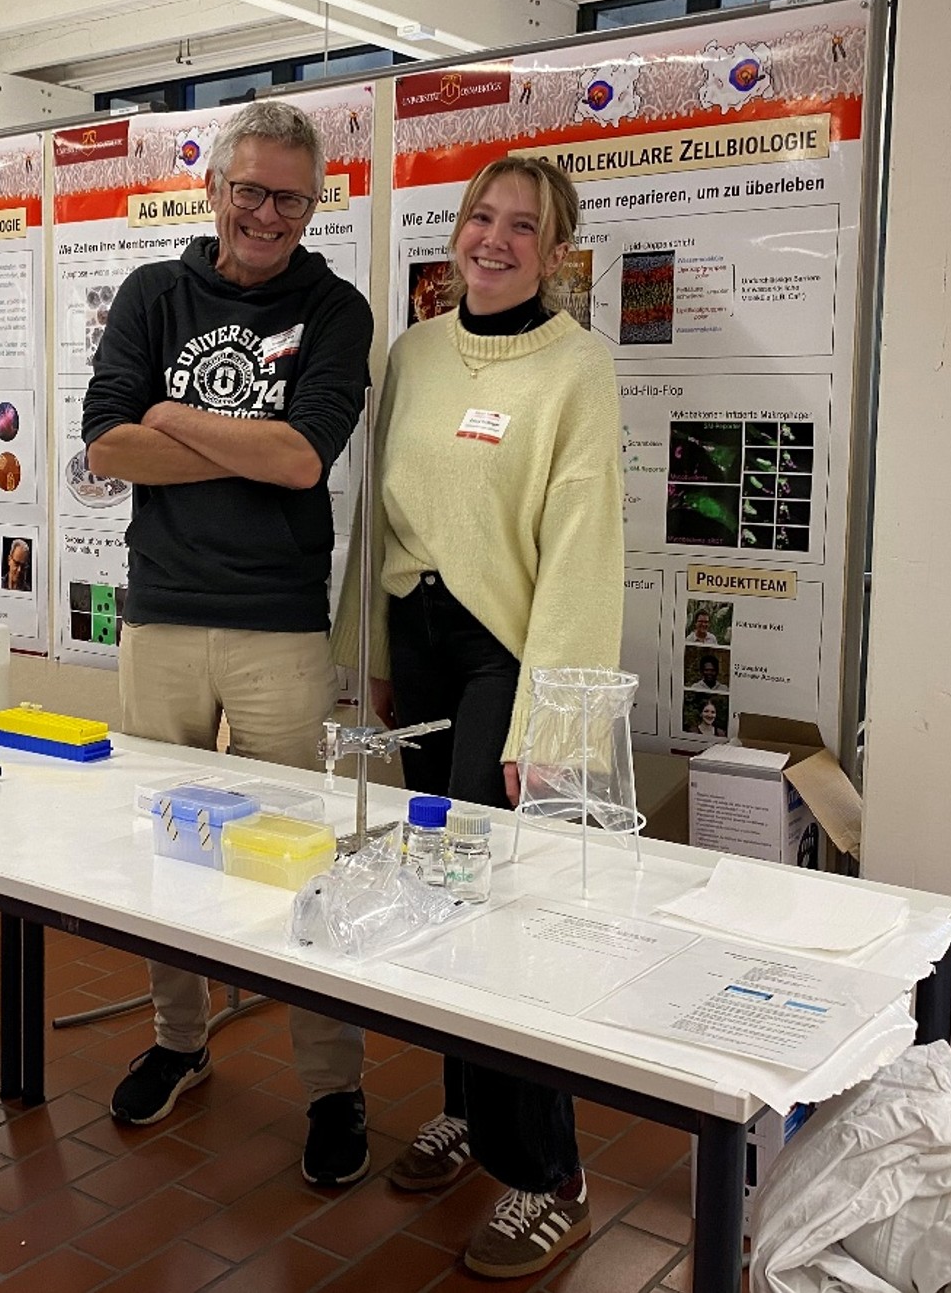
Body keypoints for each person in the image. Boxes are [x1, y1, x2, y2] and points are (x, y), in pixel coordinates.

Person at [332, 155, 621, 1280]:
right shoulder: (412, 353)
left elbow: (586, 545)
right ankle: (467, 1110)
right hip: (421, 639)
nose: (492, 240)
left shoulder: (576, 365)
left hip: (511, 652)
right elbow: (387, 520)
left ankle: (549, 1172)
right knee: (438, 902)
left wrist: (549, 726)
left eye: (522, 228)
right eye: (478, 219)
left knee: (505, 916)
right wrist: (375, 660)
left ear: (556, 254)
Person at [82, 99, 375, 1186]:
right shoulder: (154, 293)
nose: (263, 212)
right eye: (247, 189)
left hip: (280, 628)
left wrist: (176, 422)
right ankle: (179, 1039)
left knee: (305, 864)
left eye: (286, 197)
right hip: (158, 613)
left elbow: (305, 461)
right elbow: (107, 449)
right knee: (168, 848)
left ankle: (332, 1084)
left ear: (312, 203)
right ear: (213, 189)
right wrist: (243, 444)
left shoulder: (336, 308)